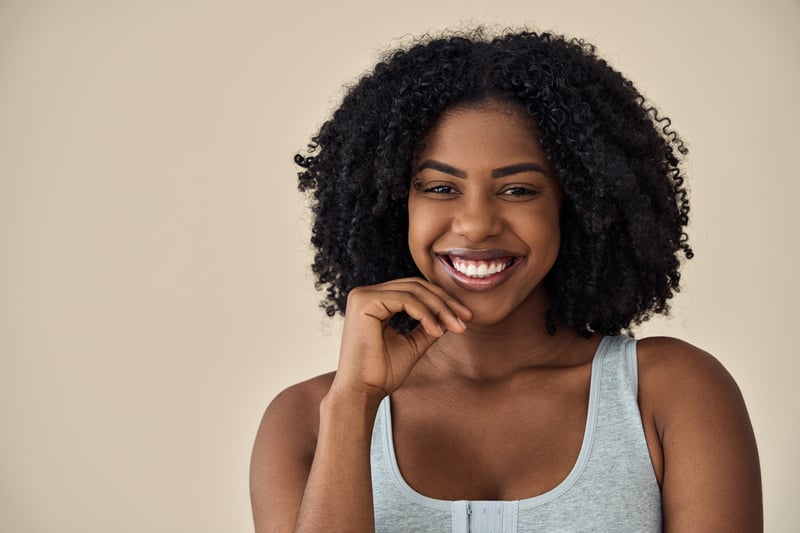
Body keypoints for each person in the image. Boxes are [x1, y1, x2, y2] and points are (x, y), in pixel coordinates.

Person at [249, 29, 762, 532]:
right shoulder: (306, 421)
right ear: (391, 206)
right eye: (440, 187)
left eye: (517, 189)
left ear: (577, 205)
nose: (475, 224)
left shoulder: (668, 393)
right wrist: (354, 403)